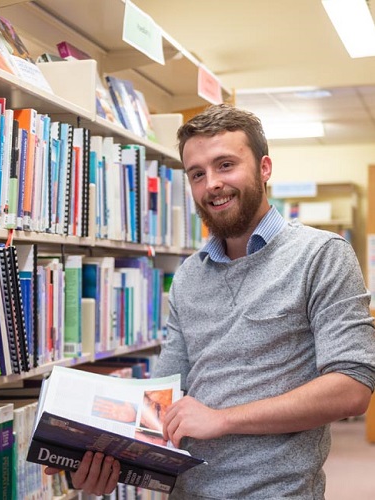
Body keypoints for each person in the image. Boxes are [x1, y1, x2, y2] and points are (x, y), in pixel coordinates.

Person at [44, 104, 375, 498]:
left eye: (225, 165)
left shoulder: (321, 255)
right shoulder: (188, 276)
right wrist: (100, 456)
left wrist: (221, 420)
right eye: (197, 174)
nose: (211, 184)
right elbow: (161, 402)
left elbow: (352, 387)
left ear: (264, 168)